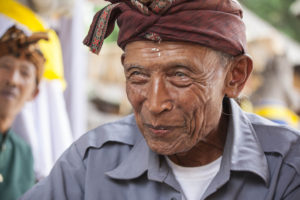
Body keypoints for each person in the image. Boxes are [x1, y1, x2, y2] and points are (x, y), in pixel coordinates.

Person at [22, 0, 300, 200]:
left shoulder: (289, 167)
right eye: (138, 76)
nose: (155, 104)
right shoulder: (92, 161)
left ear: (235, 76)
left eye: (180, 75)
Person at [0, 26, 48, 200]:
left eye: (24, 72)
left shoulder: (24, 155)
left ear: (34, 93)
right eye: (5, 66)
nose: (12, 79)